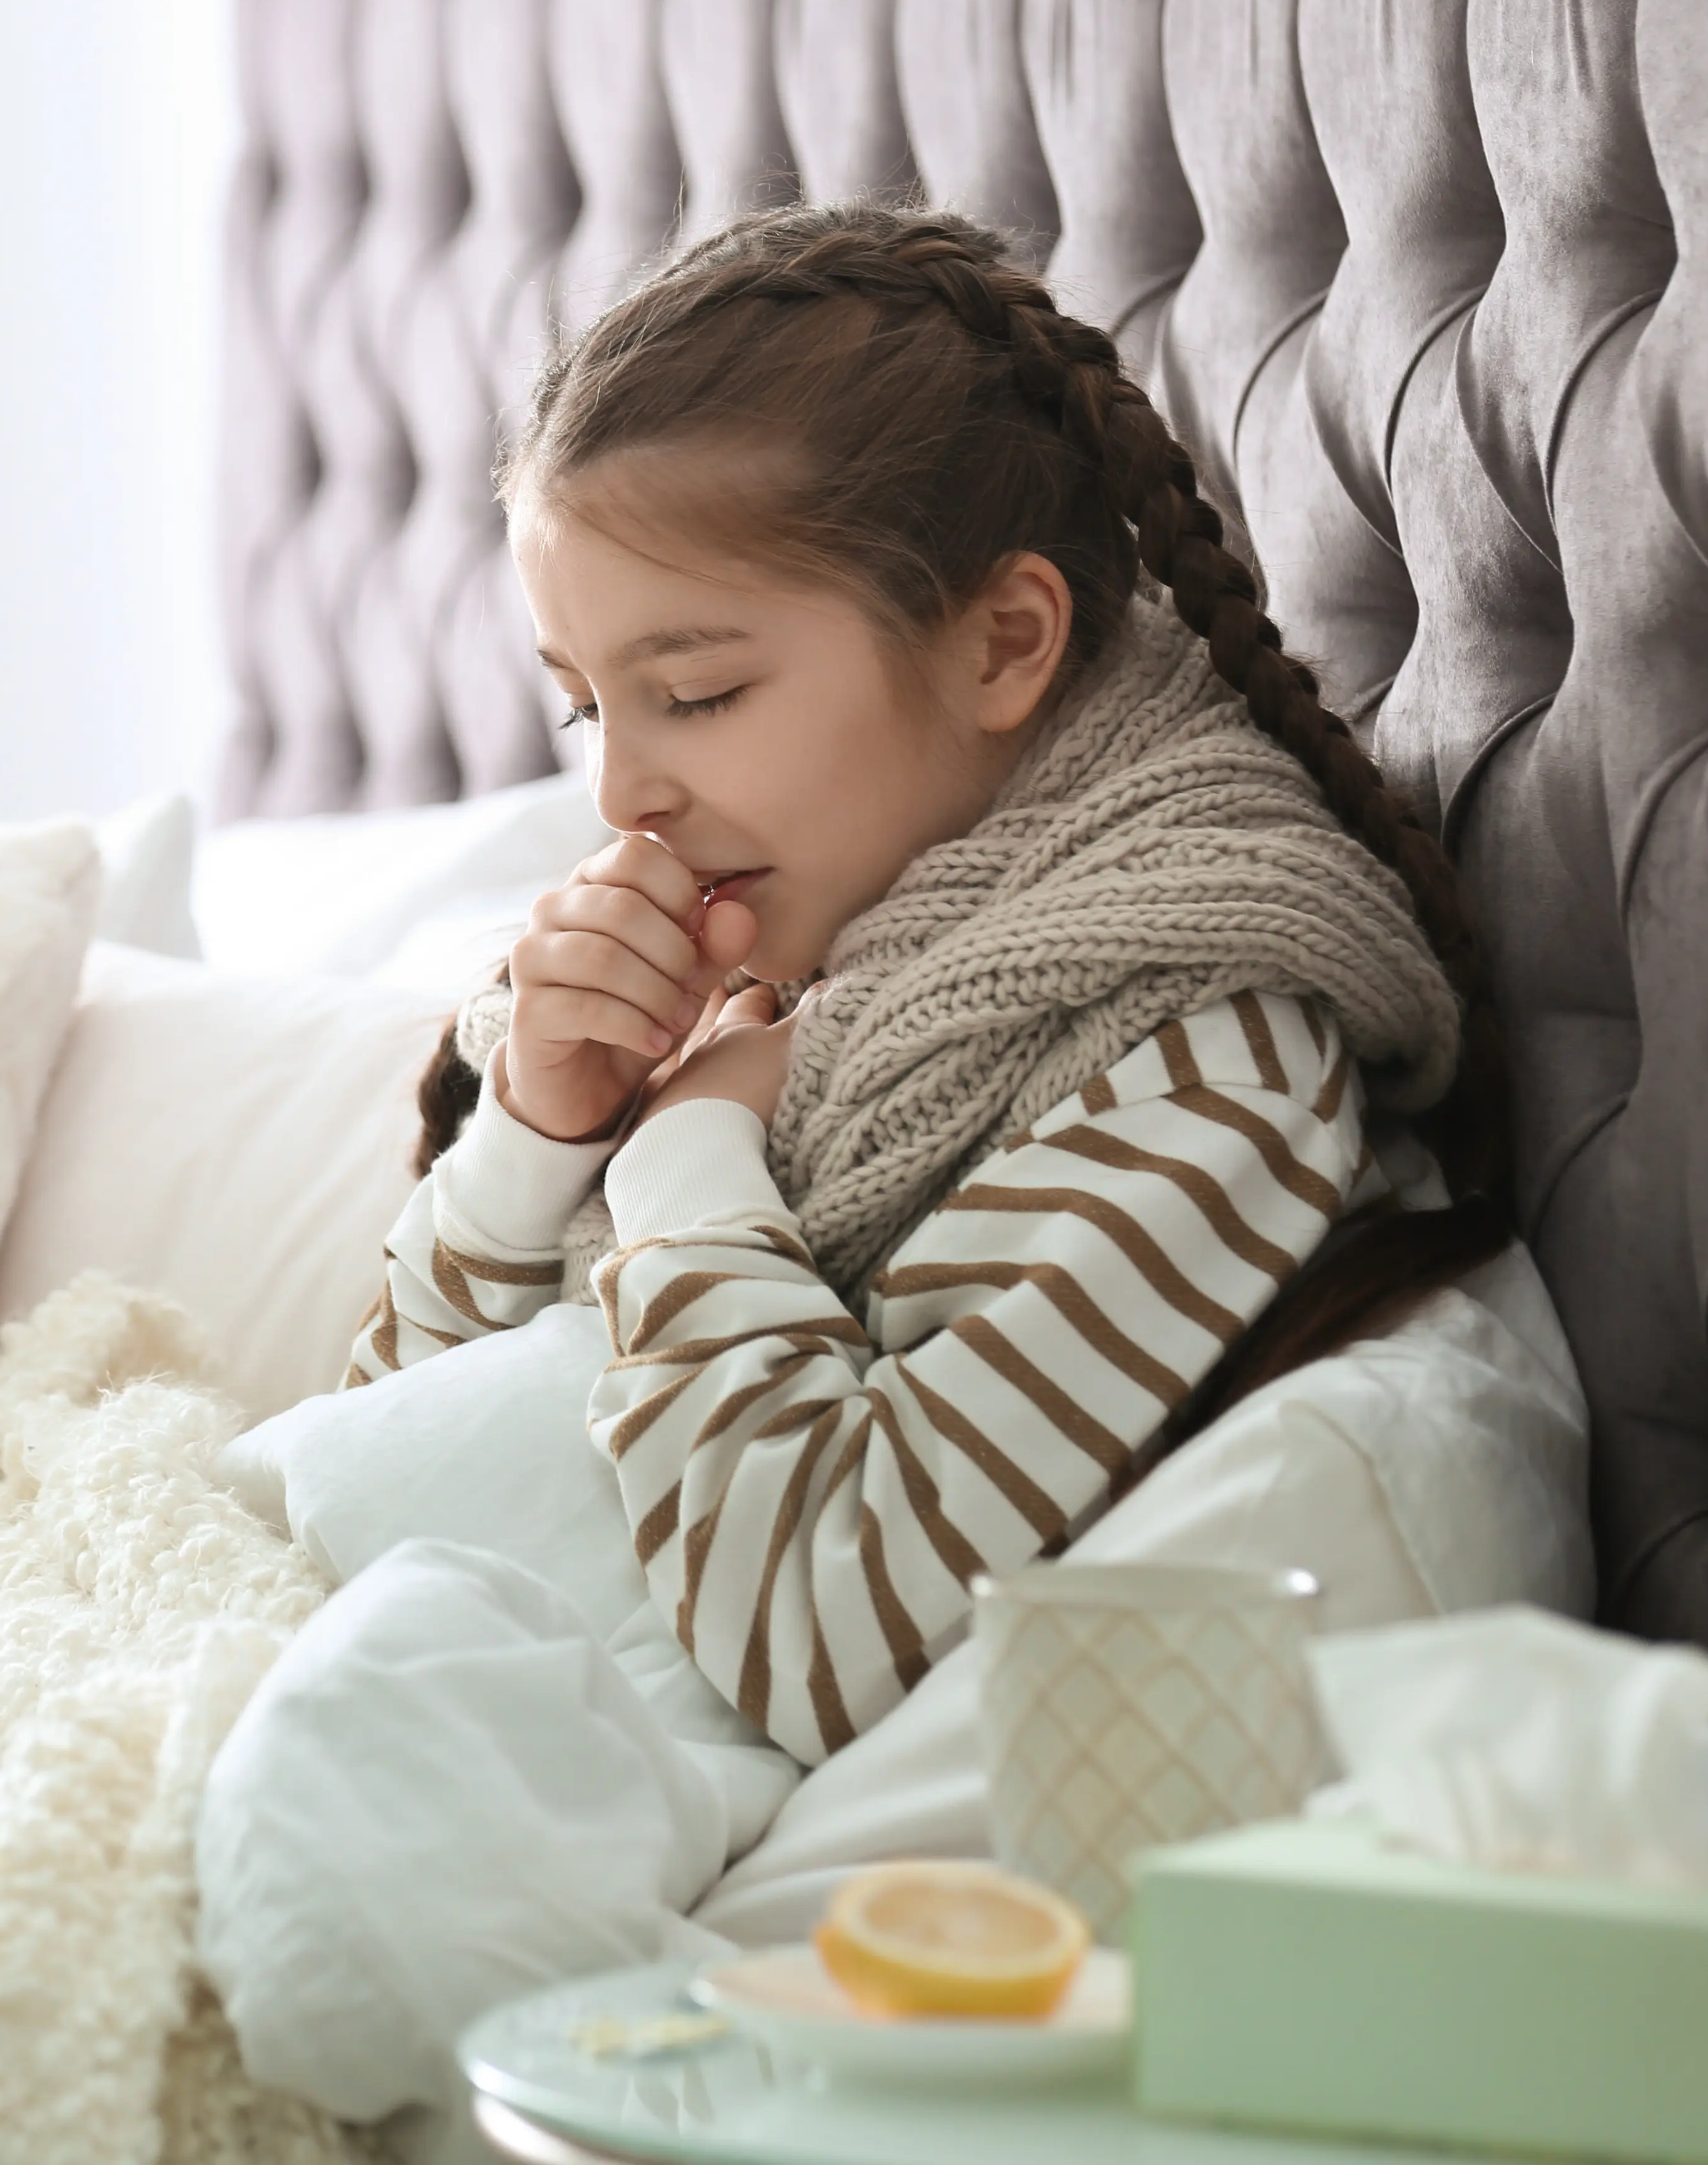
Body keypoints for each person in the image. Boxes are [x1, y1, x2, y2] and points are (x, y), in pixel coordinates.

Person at [197, 203, 1518, 2152]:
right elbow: (401, 1448)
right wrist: (537, 1140)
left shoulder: (1208, 1065)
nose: (621, 793)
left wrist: (684, 1161)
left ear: (1003, 643)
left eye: (698, 691)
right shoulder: (812, 951)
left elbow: (825, 1630)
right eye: (588, 703)